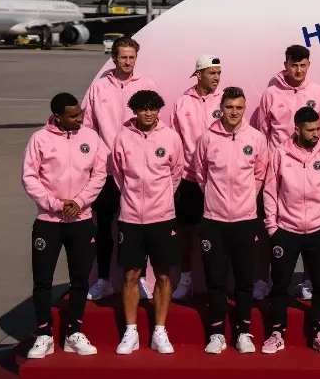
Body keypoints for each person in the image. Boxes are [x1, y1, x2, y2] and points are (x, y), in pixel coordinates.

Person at [22, 93, 108, 358]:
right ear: (57, 117)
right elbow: (29, 177)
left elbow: (99, 174)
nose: (79, 119)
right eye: (72, 116)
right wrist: (56, 204)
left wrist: (79, 202)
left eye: (80, 113)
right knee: (42, 280)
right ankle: (44, 335)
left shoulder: (91, 137)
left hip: (81, 221)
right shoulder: (39, 139)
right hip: (49, 222)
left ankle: (74, 333)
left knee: (79, 280)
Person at [251, 44, 320, 301]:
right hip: (278, 171)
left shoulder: (319, 93)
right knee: (268, 226)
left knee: (311, 228)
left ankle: (308, 280)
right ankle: (263, 279)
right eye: (293, 65)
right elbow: (262, 133)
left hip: (310, 170)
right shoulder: (270, 94)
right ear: (285, 65)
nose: (298, 70)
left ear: (309, 65)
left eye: (302, 65)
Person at [261, 106, 320, 355]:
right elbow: (270, 191)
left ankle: (319, 332)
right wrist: (272, 227)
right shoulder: (280, 153)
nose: (316, 134)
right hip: (286, 230)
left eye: (318, 128)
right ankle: (277, 333)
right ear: (296, 129)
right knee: (280, 284)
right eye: (310, 130)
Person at [191, 86, 268, 355]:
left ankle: (243, 332)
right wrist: (217, 199)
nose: (234, 112)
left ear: (244, 108)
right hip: (214, 220)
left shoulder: (256, 138)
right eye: (229, 107)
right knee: (216, 281)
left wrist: (244, 201)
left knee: (245, 280)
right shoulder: (207, 138)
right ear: (221, 108)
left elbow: (259, 175)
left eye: (238, 108)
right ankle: (216, 333)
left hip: (246, 221)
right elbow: (201, 174)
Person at [82, 36, 158, 302]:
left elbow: (154, 126)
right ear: (114, 58)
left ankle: (140, 279)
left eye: (131, 57)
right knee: (103, 227)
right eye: (123, 57)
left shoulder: (146, 85)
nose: (127, 62)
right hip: (105, 171)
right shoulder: (99, 87)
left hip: (137, 171)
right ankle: (103, 280)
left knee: (139, 228)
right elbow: (88, 128)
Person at [112, 90, 184, 355]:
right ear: (135, 111)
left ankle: (159, 331)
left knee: (163, 276)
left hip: (162, 218)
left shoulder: (171, 137)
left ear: (158, 110)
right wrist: (133, 199)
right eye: (143, 109)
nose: (148, 113)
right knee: (131, 275)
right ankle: (130, 331)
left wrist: (160, 200)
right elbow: (118, 175)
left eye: (153, 109)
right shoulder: (122, 138)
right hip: (131, 218)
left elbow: (176, 173)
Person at [168, 54, 223, 301]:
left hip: (217, 180)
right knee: (185, 232)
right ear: (198, 75)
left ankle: (216, 282)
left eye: (218, 73)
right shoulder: (182, 103)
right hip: (189, 179)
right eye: (212, 73)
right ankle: (185, 279)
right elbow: (174, 140)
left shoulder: (224, 101)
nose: (216, 78)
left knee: (216, 233)